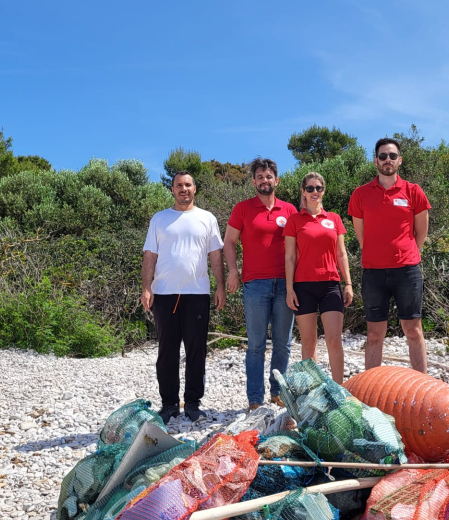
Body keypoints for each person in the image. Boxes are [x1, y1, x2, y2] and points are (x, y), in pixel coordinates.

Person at [141, 171, 226, 423]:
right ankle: (169, 404)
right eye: (179, 185)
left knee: (196, 350)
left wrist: (220, 286)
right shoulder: (159, 219)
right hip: (164, 294)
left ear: (195, 189)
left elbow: (215, 256)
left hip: (197, 293)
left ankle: (192, 403)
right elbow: (149, 256)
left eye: (188, 185)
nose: (184, 189)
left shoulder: (207, 218)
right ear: (172, 189)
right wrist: (146, 287)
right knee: (167, 351)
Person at [348, 137, 431, 373]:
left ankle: (422, 387)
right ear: (376, 161)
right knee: (374, 334)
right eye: (383, 156)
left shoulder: (414, 191)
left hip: (407, 270)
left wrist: (405, 253)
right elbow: (361, 236)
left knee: (413, 330)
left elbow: (421, 233)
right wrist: (377, 254)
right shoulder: (361, 194)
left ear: (400, 160)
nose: (387, 160)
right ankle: (369, 391)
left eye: (392, 156)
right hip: (373, 272)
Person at [223, 157, 299, 411]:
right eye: (259, 177)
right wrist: (233, 271)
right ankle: (255, 399)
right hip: (255, 285)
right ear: (253, 181)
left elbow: (300, 245)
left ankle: (277, 393)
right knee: (255, 345)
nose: (264, 181)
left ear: (276, 180)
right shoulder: (242, 209)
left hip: (286, 285)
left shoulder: (289, 210)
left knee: (283, 344)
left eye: (268, 177)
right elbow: (229, 242)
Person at [283, 172, 353, 383]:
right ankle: (313, 392)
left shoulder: (334, 219)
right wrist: (289, 289)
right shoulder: (294, 220)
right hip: (303, 286)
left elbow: (341, 253)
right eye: (310, 188)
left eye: (319, 188)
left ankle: (340, 390)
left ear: (323, 191)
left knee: (333, 340)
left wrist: (348, 283)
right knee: (308, 342)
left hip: (331, 284)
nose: (315, 192)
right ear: (303, 192)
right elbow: (290, 256)